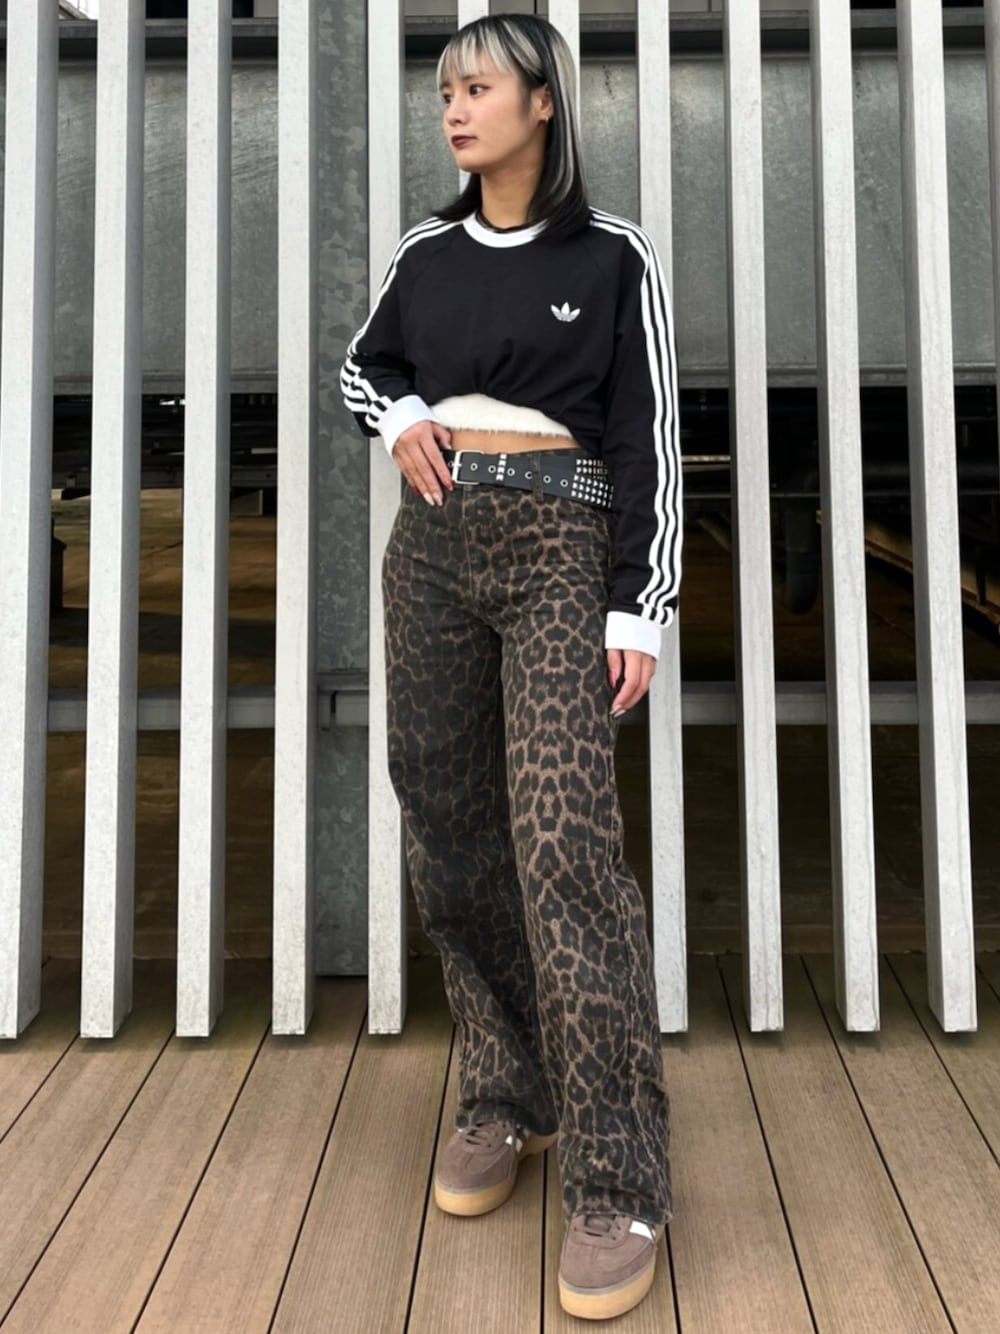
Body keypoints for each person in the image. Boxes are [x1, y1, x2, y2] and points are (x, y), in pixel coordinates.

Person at [340, 12, 681, 1322]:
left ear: (544, 102)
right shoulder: (426, 254)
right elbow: (365, 367)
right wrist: (402, 416)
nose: (454, 106)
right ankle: (504, 1088)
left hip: (559, 547)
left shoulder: (610, 255)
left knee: (562, 844)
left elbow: (648, 437)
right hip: (431, 551)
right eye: (446, 89)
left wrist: (638, 604)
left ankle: (620, 1173)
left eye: (479, 86)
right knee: (448, 825)